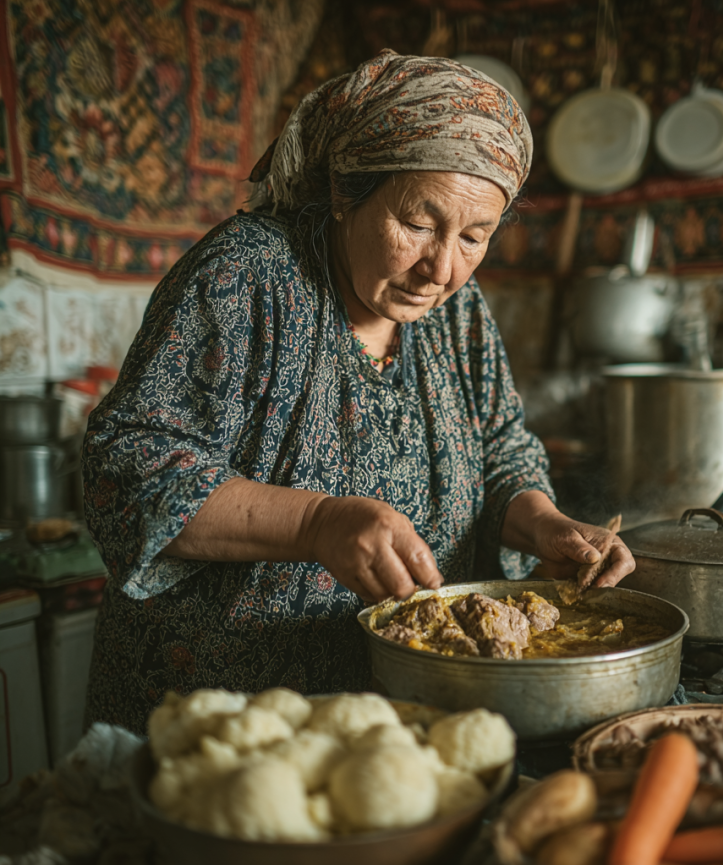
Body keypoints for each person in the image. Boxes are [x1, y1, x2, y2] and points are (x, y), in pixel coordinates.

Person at [82, 50, 635, 735]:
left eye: (474, 237)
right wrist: (318, 524)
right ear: (346, 195)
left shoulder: (457, 311)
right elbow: (126, 472)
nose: (441, 269)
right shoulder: (247, 276)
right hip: (224, 720)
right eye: (418, 225)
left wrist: (545, 522)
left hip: (394, 713)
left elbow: (499, 448)